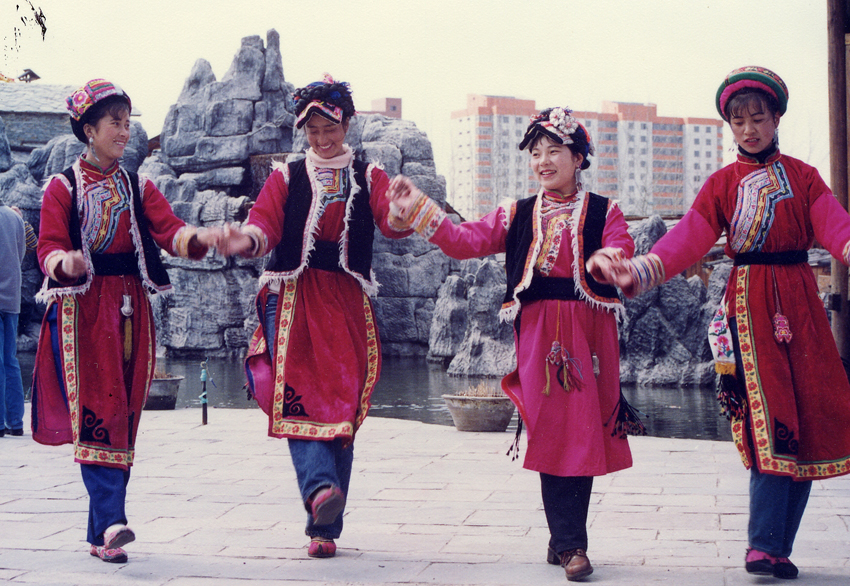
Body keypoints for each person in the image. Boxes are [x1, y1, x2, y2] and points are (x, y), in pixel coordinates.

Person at [595, 66, 850, 580]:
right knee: (769, 418)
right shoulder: (721, 185)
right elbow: (688, 238)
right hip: (749, 306)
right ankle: (762, 545)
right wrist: (638, 270)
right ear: (730, 126)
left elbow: (834, 224)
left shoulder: (805, 177)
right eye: (739, 121)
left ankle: (777, 549)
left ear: (777, 118)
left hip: (800, 306)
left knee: (805, 419)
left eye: (759, 117)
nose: (749, 129)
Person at [386, 107, 642, 582]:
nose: (543, 161)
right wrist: (421, 208)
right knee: (553, 430)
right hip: (540, 335)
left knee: (583, 432)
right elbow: (464, 241)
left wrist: (612, 259)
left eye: (554, 151)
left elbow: (620, 245)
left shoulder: (604, 210)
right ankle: (571, 544)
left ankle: (563, 538)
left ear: (578, 158)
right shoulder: (517, 213)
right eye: (536, 153)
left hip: (588, 335)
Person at [216, 74, 412, 559]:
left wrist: (402, 212)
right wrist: (247, 239)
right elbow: (264, 223)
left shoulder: (368, 175)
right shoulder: (287, 175)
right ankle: (321, 489)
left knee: (342, 408)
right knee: (298, 395)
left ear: (346, 125)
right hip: (293, 297)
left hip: (345, 299)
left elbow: (390, 221)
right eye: (313, 131)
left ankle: (324, 528)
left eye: (331, 129)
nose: (322, 140)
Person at [31, 79, 220, 564]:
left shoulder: (138, 186)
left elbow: (170, 231)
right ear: (89, 131)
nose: (123, 131)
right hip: (82, 311)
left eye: (126, 122)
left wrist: (203, 239)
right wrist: (64, 263)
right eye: (113, 123)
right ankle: (114, 520)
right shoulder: (63, 187)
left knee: (125, 413)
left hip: (130, 309)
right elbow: (48, 245)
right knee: (96, 410)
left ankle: (102, 533)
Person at [0, 203, 36, 438]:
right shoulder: (15, 218)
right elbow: (24, 251)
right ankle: (15, 422)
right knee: (10, 360)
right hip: (12, 297)